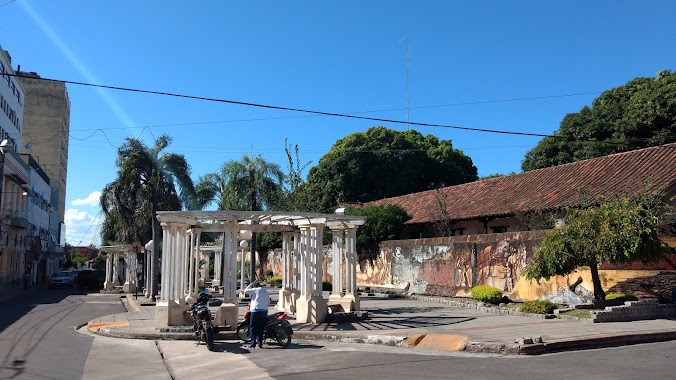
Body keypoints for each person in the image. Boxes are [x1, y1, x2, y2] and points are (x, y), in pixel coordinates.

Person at [243, 280, 269, 349]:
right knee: (261, 328)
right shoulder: (265, 291)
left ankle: (253, 343)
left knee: (253, 328)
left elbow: (245, 291)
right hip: (264, 311)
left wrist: (250, 284)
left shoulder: (255, 290)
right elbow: (268, 302)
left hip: (255, 311)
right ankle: (260, 343)